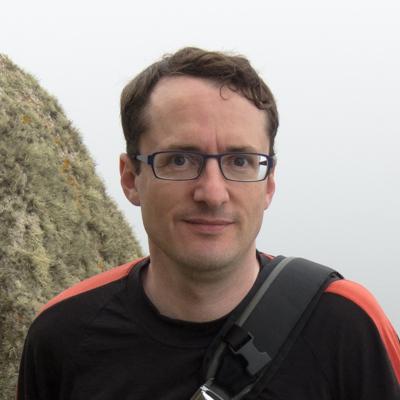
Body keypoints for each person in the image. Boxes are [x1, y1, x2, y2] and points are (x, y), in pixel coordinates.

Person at [18, 47, 400, 399]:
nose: (213, 193)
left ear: (268, 184)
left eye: (240, 161)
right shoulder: (63, 335)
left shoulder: (348, 325)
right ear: (131, 178)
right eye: (180, 160)